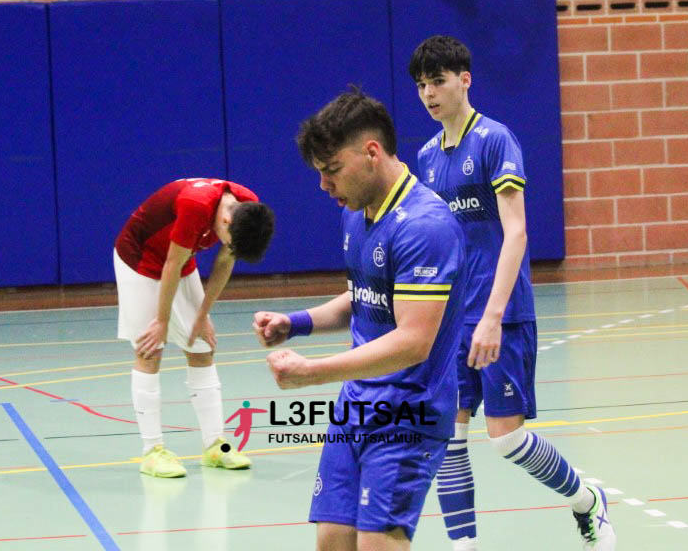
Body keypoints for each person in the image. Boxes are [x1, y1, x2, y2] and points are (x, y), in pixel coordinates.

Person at [409, 35, 615, 550]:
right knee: (447, 438)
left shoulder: (496, 140)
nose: (429, 93)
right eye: (421, 85)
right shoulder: (426, 157)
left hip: (500, 314)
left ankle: (587, 499)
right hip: (451, 321)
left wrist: (493, 316)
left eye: (437, 81)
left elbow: (517, 232)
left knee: (505, 439)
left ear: (464, 80)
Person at [252, 90, 465, 551]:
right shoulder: (356, 213)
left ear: (371, 153)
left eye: (332, 171)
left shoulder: (425, 226)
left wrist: (312, 372)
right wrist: (296, 322)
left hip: (410, 410)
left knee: (376, 546)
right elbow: (364, 297)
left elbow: (413, 341)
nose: (325, 187)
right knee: (332, 542)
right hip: (356, 406)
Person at [114, 177, 275, 477]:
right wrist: (161, 321)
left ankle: (215, 446)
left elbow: (225, 260)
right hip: (139, 259)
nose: (227, 247)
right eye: (228, 241)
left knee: (202, 347)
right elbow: (170, 264)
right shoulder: (195, 204)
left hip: (180, 257)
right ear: (225, 220)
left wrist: (202, 314)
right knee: (150, 350)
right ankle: (152, 452)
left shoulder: (246, 207)